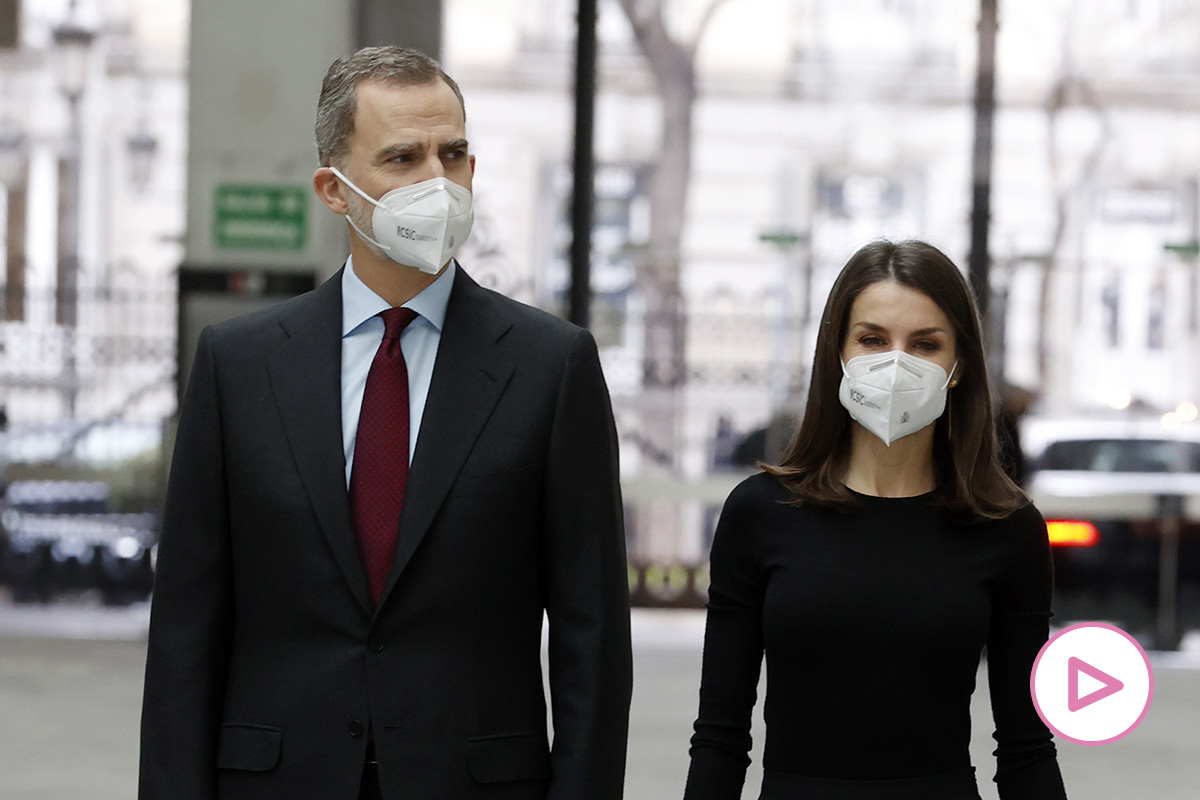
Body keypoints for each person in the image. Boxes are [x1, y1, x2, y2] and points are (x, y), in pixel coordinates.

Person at [140, 47, 632, 800]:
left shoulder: (551, 367)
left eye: (454, 153)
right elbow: (185, 630)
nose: (437, 181)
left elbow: (591, 637)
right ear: (334, 191)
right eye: (402, 157)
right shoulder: (238, 366)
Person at [683, 240, 1067, 800]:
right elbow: (719, 738)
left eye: (925, 344)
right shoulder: (761, 513)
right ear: (837, 353)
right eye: (872, 340)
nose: (896, 363)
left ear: (958, 367)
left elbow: (1026, 745)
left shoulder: (1006, 527)